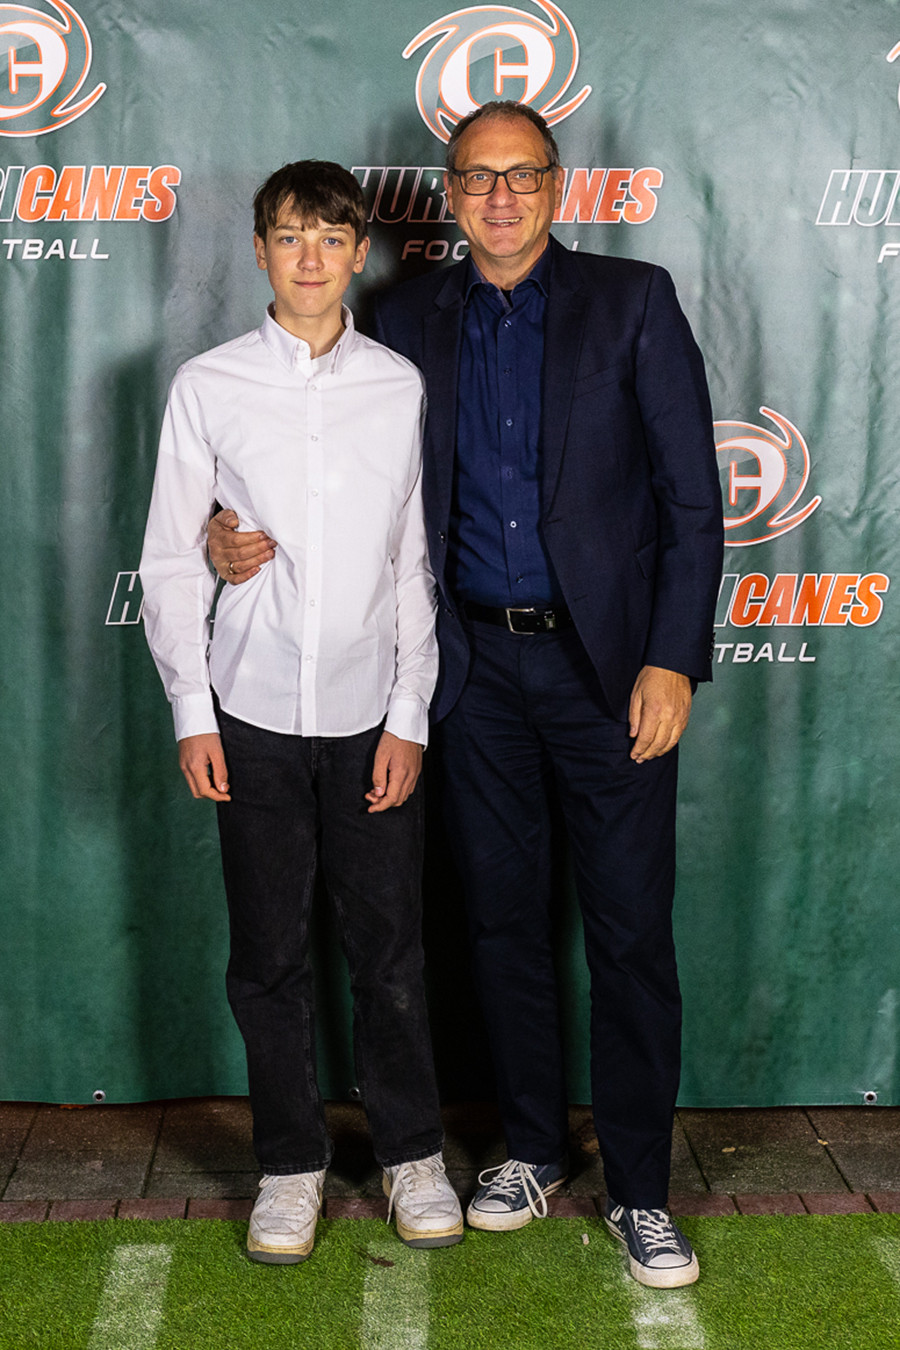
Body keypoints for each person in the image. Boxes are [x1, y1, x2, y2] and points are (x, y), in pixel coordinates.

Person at [207, 106, 724, 1288]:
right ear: (447, 193)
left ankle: (641, 1189)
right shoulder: (401, 319)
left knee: (630, 934)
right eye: (478, 178)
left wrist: (669, 658)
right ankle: (530, 1150)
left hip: (609, 676)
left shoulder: (634, 302)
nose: (499, 197)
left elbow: (693, 503)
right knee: (498, 923)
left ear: (556, 186)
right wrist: (218, 533)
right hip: (471, 672)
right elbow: (308, 460)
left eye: (520, 176)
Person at [140, 160, 463, 1265]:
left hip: (373, 713)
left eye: (331, 238)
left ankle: (413, 1153)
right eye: (289, 237)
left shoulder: (398, 386)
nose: (311, 259)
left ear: (360, 252)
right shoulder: (209, 385)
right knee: (269, 955)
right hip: (252, 712)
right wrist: (193, 708)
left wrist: (410, 712)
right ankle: (289, 1166)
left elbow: (412, 561)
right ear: (261, 252)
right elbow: (171, 559)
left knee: (391, 952)